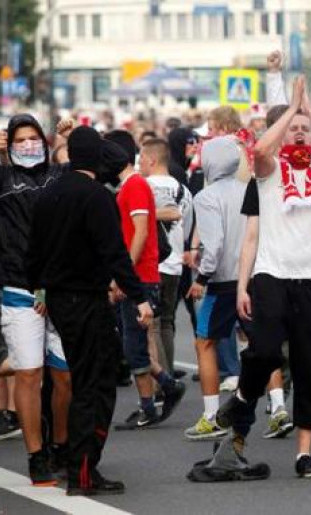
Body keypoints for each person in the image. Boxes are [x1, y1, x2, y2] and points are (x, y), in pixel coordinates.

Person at [212, 75, 311, 479]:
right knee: (265, 350)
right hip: (273, 274)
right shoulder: (270, 170)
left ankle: (304, 454)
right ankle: (244, 396)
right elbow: (260, 149)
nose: (300, 133)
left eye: (306, 129)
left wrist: (309, 110)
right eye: (293, 130)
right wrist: (290, 111)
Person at [27, 126, 154, 496]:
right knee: (94, 386)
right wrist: (139, 297)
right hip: (87, 299)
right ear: (96, 157)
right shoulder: (96, 196)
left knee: (89, 377)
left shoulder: (49, 194)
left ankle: (79, 465)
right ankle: (83, 470)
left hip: (59, 301)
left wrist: (40, 289)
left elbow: (33, 253)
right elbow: (113, 252)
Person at [0, 114, 71, 485]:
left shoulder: (58, 177)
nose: (28, 145)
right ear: (9, 146)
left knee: (65, 377)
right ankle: (36, 454)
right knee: (29, 373)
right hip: (18, 290)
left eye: (33, 138)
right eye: (20, 140)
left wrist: (65, 143)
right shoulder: (3, 180)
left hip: (60, 290)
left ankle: (61, 445)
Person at [105, 130, 185, 430]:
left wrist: (122, 273)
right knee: (134, 345)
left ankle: (152, 402)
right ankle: (160, 392)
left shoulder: (135, 186)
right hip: (138, 275)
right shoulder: (132, 186)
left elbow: (140, 232)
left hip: (141, 276)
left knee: (134, 345)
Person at [183, 136, 250, 441]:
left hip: (222, 281)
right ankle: (278, 409)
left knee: (204, 343)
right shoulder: (251, 188)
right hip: (252, 278)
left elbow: (215, 245)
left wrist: (200, 279)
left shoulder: (206, 196)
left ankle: (211, 416)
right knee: (258, 344)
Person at [138, 138, 194, 376]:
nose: (139, 164)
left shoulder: (141, 186)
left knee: (151, 323)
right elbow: (188, 224)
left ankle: (161, 379)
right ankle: (168, 373)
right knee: (167, 321)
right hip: (175, 263)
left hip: (150, 260)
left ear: (151, 159)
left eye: (141, 159)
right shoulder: (183, 189)